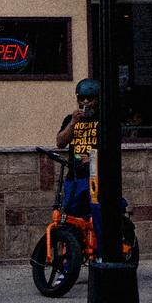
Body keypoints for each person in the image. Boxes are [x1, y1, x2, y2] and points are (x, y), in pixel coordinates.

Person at [56, 77, 101, 217]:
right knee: (72, 214)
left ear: (97, 100)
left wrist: (93, 159)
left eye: (90, 99)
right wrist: (73, 123)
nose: (85, 102)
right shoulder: (70, 119)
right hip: (75, 176)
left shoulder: (102, 119)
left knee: (96, 212)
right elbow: (60, 143)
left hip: (96, 175)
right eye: (81, 99)